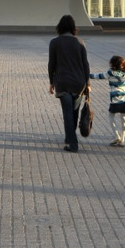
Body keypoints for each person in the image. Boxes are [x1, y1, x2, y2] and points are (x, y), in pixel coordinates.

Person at [48, 14, 90, 153]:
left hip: (63, 82)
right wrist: (88, 83)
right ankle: (70, 137)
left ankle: (72, 143)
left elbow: (51, 64)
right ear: (73, 27)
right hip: (79, 83)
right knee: (74, 111)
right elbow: (85, 64)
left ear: (59, 27)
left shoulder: (54, 42)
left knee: (67, 112)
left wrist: (51, 82)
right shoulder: (80, 42)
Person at [89, 55, 125, 147]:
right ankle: (123, 140)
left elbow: (99, 76)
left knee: (111, 117)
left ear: (113, 64)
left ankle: (117, 136)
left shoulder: (111, 73)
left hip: (115, 100)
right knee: (124, 119)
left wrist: (87, 75)